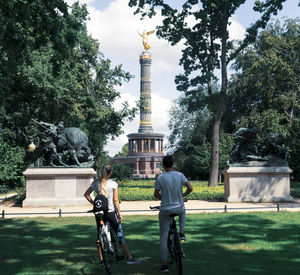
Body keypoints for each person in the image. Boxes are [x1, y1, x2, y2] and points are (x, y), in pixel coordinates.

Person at [84, 164, 141, 265]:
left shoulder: (96, 183)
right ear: (111, 173)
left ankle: (102, 260)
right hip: (110, 212)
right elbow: (115, 201)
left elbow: (86, 194)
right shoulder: (113, 184)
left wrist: (95, 204)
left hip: (99, 212)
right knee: (119, 234)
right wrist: (119, 214)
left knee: (99, 235)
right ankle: (129, 257)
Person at [154, 155, 193, 273]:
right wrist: (183, 195)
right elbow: (190, 188)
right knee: (183, 210)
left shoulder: (160, 178)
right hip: (178, 207)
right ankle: (181, 231)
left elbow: (156, 195)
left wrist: (163, 197)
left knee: (163, 238)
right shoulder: (180, 175)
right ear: (173, 164)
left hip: (165, 209)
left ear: (163, 165)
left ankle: (164, 264)